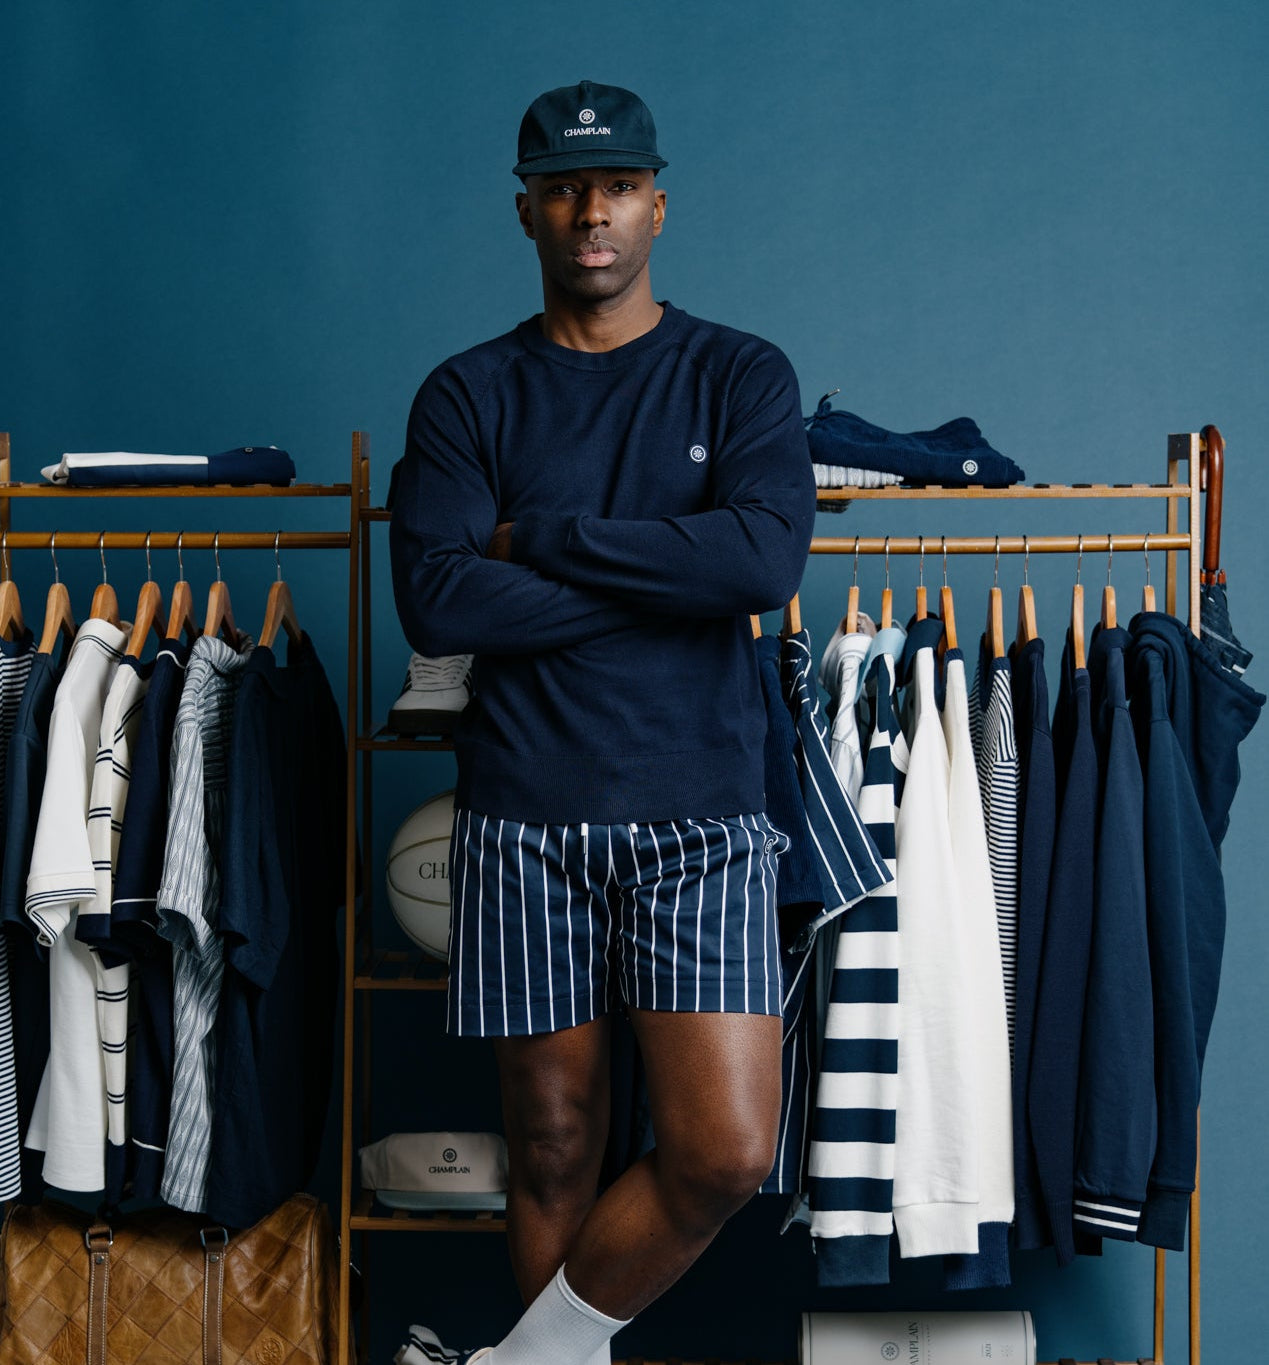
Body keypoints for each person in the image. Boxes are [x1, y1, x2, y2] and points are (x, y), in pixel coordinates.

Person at [388, 79, 816, 1365]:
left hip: (702, 814)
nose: (593, 211)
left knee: (724, 1150)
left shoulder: (739, 373)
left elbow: (758, 568)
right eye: (567, 187)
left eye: (618, 186)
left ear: (658, 206)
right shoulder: (468, 396)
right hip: (526, 812)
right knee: (555, 1148)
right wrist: (657, 583)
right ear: (525, 208)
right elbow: (440, 596)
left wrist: (556, 543)